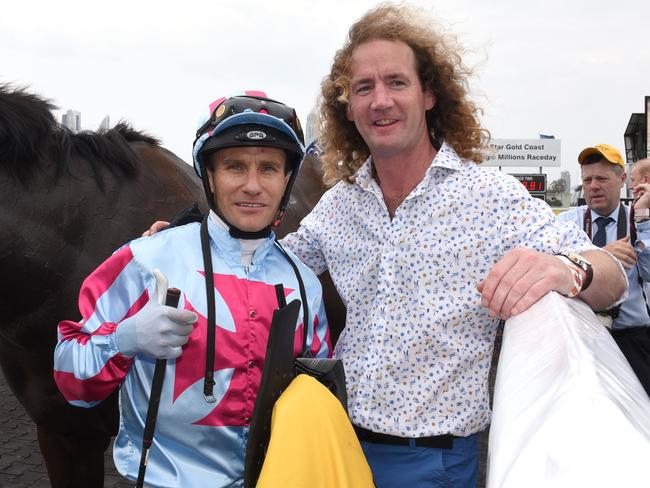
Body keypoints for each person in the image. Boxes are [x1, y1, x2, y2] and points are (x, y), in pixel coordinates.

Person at [144, 5, 627, 487]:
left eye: (396, 83)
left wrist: (570, 270)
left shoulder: (491, 196)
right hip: (334, 444)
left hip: (431, 462)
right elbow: (263, 264)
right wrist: (185, 248)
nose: (380, 101)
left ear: (430, 94)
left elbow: (613, 278)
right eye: (363, 88)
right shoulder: (340, 205)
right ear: (348, 108)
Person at [53, 92, 332, 487]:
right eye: (235, 166)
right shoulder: (146, 260)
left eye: (268, 168)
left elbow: (316, 405)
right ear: (210, 177)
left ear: (286, 180)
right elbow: (71, 382)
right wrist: (123, 340)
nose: (253, 186)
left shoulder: (304, 284)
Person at [558, 146, 650, 396]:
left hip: (630, 339)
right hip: (579, 340)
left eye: (602, 178)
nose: (593, 186)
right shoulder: (566, 223)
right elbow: (551, 266)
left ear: (622, 180)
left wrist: (644, 219)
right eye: (587, 180)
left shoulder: (639, 219)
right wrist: (602, 257)